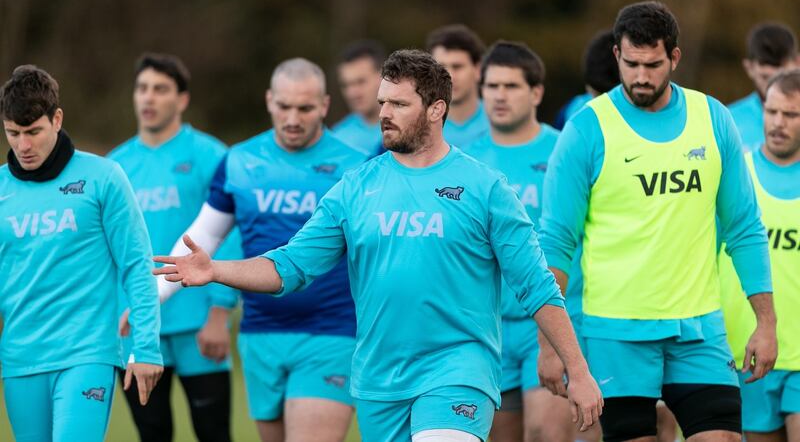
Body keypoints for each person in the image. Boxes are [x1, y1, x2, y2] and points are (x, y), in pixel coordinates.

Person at [154, 49, 603, 442]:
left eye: (399, 104)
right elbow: (289, 267)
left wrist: (578, 370)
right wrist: (216, 270)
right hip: (378, 379)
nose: (384, 113)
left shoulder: (485, 188)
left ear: (435, 109)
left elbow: (537, 285)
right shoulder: (355, 188)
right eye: (382, 101)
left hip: (457, 371)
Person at [539, 1, 777, 442]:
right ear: (616, 57)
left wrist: (766, 323)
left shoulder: (713, 119)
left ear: (675, 58)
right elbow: (555, 242)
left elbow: (744, 227)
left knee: (723, 437)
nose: (641, 76)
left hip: (699, 330)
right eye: (631, 64)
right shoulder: (587, 129)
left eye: (652, 65)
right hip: (616, 335)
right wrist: (550, 347)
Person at [154, 57, 368, 442]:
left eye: (304, 108)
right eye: (284, 106)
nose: (293, 118)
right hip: (260, 334)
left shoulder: (356, 166)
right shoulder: (238, 162)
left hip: (333, 332)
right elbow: (202, 237)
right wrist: (150, 299)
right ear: (269, 100)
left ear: (324, 105)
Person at [0, 65, 163, 442]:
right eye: (13, 133)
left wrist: (147, 347)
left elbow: (137, 265)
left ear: (56, 119)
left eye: (33, 132)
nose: (23, 146)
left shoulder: (103, 177)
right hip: (21, 359)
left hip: (87, 354)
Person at [464, 40, 597, 442]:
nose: (499, 96)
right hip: (486, 326)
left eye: (511, 86)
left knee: (545, 434)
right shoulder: (461, 161)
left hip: (555, 318)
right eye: (492, 86)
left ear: (536, 92)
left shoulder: (565, 150)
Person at [109, 53, 240, 442]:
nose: (148, 98)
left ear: (181, 99)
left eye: (160, 89)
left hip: (199, 324)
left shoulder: (212, 155)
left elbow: (229, 234)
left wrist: (220, 312)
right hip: (135, 324)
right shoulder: (114, 166)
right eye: (142, 88)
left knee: (214, 434)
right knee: (152, 435)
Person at [720, 70, 800, 442]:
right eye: (771, 111)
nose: (777, 123)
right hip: (748, 354)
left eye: (790, 114)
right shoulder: (735, 177)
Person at [729, 23, 799, 152]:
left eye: (781, 75)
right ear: (749, 68)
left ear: (797, 63)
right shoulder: (729, 121)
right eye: (765, 77)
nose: (774, 86)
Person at [426, 24, 490, 147]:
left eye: (457, 66)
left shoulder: (501, 121)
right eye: (442, 67)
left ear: (478, 69)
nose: (449, 76)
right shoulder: (419, 126)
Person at [552, 30, 619, 130]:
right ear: (588, 86)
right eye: (597, 95)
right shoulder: (571, 112)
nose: (603, 105)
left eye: (611, 99)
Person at [332, 39, 386, 155]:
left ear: (383, 76)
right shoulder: (338, 138)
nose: (352, 93)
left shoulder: (408, 127)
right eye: (346, 85)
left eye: (360, 82)